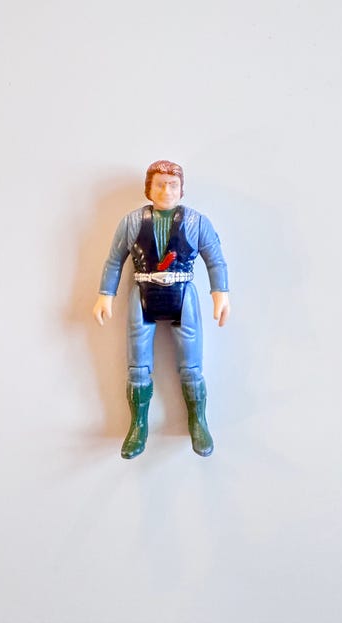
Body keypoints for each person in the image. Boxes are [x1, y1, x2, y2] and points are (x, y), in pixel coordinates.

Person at [93, 160, 230, 459]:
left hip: (183, 295)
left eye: (172, 185)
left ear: (181, 189)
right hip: (143, 293)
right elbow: (114, 260)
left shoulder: (197, 222)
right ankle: (138, 425)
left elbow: (215, 260)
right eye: (160, 184)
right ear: (149, 188)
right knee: (138, 365)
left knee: (192, 364)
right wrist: (106, 295)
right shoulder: (131, 222)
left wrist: (220, 294)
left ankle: (198, 421)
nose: (166, 191)